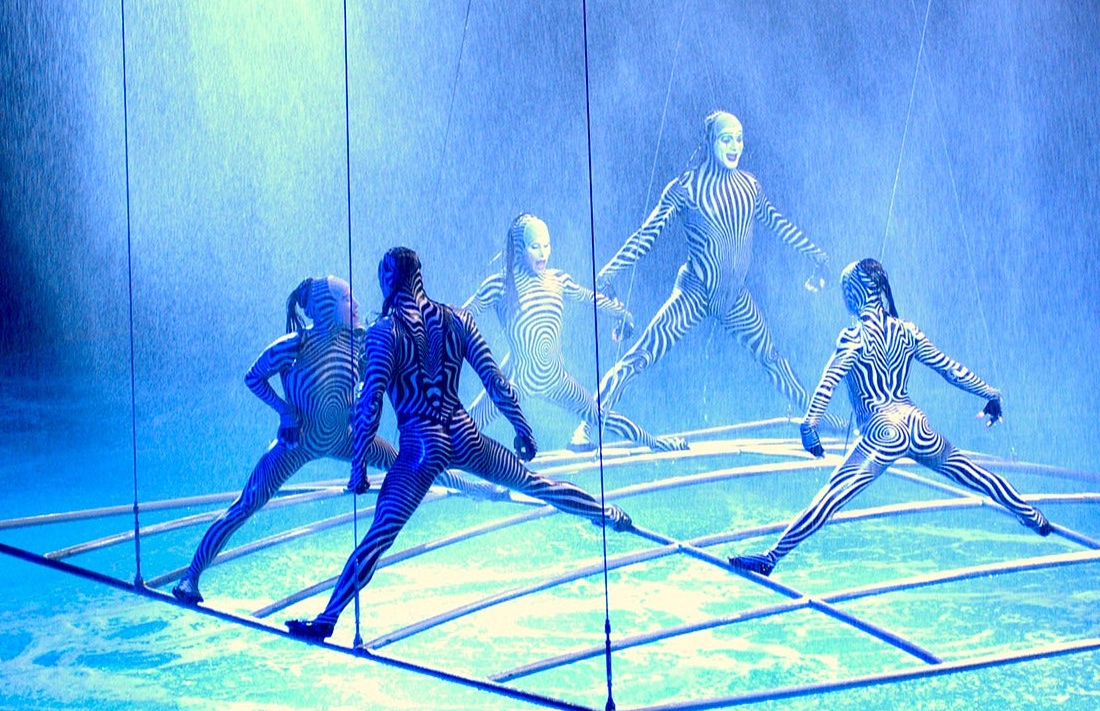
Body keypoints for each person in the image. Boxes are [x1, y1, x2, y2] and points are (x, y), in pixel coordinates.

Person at [287, 248, 632, 641]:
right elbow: (496, 381)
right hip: (464, 434)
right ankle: (606, 513)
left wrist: (358, 468)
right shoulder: (457, 319)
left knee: (379, 536)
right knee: (539, 485)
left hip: (421, 446)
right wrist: (522, 428)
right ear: (419, 276)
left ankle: (328, 620)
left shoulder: (386, 331)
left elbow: (371, 403)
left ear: (388, 278)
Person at [170, 277, 501, 605]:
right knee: (245, 505)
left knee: (411, 461)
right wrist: (285, 412)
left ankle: (473, 488)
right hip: (297, 443)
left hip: (346, 439)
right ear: (325, 307)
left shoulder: (361, 345)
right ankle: (190, 578)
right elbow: (253, 377)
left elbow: (371, 393)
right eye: (346, 298)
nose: (356, 304)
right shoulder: (294, 345)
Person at [729, 259, 1053, 577]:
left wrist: (809, 424)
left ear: (854, 294)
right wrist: (991, 393)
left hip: (883, 430)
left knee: (831, 497)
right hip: (916, 424)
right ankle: (1031, 516)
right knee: (976, 474)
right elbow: (951, 370)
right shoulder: (907, 331)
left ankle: (771, 558)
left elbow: (828, 382)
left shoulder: (853, 337)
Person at [586, 110, 835, 440]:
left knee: (772, 359)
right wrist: (608, 272)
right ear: (709, 142)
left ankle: (818, 421)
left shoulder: (749, 186)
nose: (735, 146)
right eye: (726, 138)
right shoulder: (685, 188)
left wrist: (817, 255)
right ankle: (587, 424)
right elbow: (647, 235)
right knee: (640, 356)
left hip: (734, 298)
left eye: (739, 138)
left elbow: (779, 224)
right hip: (694, 293)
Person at [462, 213, 685, 452]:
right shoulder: (500, 286)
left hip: (557, 381)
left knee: (600, 416)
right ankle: (432, 469)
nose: (543, 254)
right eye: (535, 247)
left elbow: (590, 298)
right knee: (465, 430)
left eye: (546, 246)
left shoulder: (558, 280)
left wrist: (622, 314)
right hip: (517, 383)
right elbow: (459, 317)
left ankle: (655, 443)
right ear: (519, 249)